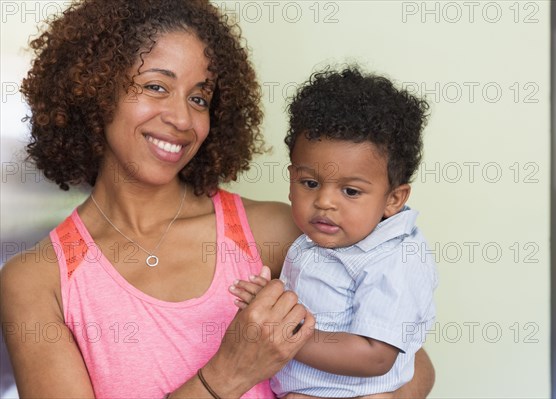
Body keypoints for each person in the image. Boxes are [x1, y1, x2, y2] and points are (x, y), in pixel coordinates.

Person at [0, 0, 435, 397]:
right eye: (155, 87)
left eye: (199, 97)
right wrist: (229, 372)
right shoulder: (38, 281)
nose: (181, 118)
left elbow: (410, 369)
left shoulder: (281, 233)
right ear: (94, 91)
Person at [231, 67, 438, 398]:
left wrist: (283, 334)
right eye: (310, 183)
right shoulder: (315, 242)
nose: (324, 201)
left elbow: (375, 355)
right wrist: (270, 301)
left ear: (394, 199)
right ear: (291, 179)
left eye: (351, 191)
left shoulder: (395, 259)